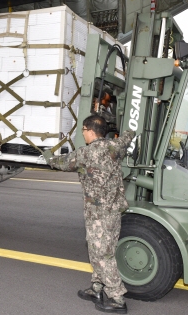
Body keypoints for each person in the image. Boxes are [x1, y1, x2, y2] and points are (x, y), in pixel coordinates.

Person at [44, 115, 135, 314]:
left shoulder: (86, 153)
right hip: (113, 211)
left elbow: (63, 162)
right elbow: (128, 137)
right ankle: (97, 288)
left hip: (99, 214)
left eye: (84, 130)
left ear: (91, 131)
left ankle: (117, 297)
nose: (83, 134)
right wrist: (128, 130)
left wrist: (49, 157)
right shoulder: (115, 147)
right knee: (99, 250)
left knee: (102, 253)